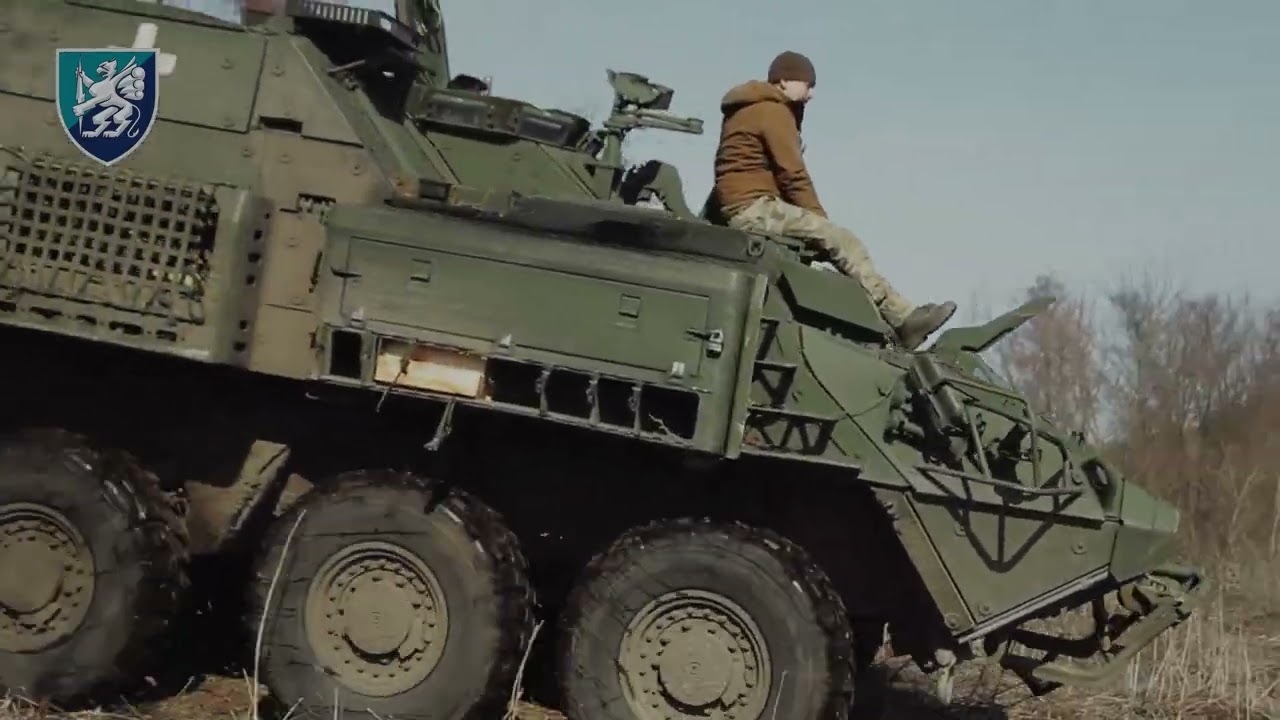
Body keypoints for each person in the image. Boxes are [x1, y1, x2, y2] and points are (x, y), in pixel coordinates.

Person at [712, 50, 957, 350]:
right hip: (755, 208)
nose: (811, 94)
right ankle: (903, 319)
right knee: (843, 241)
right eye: (808, 85)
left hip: (745, 205)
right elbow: (793, 175)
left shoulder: (749, 107)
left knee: (831, 245)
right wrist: (821, 223)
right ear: (785, 80)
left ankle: (893, 318)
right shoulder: (772, 112)